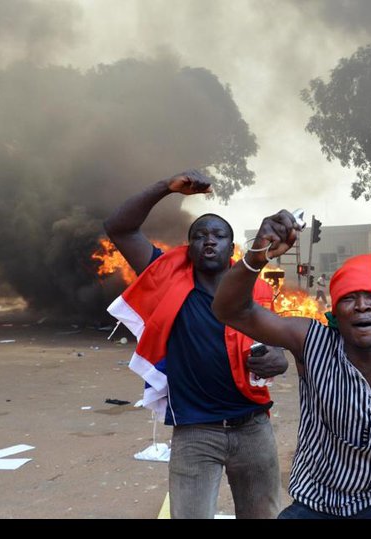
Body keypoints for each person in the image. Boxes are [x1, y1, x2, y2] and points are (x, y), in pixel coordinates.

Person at [212, 210, 371, 519]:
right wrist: (257, 255)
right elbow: (229, 310)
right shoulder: (311, 342)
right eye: (350, 298)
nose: (362, 305)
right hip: (317, 499)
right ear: (337, 310)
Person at [104, 170, 286, 519]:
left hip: (252, 427)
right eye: (200, 235)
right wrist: (165, 188)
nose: (209, 241)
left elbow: (276, 348)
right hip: (195, 432)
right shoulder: (165, 276)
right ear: (190, 248)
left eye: (218, 235)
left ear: (231, 248)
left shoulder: (255, 291)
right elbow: (119, 227)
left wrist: (278, 360)